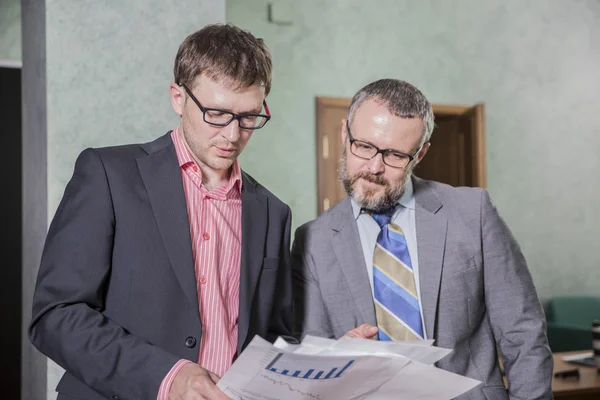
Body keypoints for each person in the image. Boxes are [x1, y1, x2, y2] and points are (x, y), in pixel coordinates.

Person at [29, 24, 294, 400]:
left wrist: (327, 358)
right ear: (178, 98)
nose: (233, 135)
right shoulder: (107, 175)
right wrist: (168, 377)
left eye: (249, 117)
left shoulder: (273, 212)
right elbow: (55, 316)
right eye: (217, 113)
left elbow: (273, 340)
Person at [292, 78, 553, 399]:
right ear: (345, 134)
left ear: (420, 153)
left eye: (395, 155)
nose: (374, 167)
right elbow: (309, 359)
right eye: (364, 146)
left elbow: (523, 333)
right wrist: (340, 357)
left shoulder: (474, 213)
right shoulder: (311, 241)